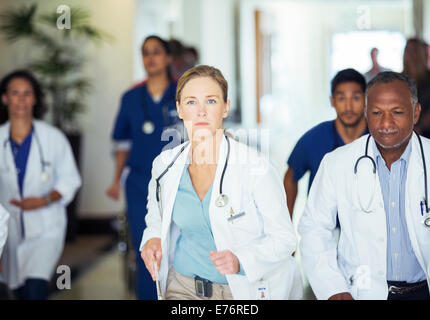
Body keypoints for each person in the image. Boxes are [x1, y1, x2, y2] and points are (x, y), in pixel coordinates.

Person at [140, 65, 302, 300]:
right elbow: (156, 217)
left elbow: (285, 239)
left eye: (212, 101)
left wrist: (241, 260)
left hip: (241, 290)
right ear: (179, 109)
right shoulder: (165, 165)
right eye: (192, 102)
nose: (201, 112)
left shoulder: (256, 167)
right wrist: (152, 239)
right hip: (182, 286)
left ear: (226, 107)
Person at [298, 71, 430, 300]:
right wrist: (333, 289)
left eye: (397, 112)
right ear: (367, 113)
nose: (386, 123)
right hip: (360, 292)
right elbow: (314, 228)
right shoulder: (337, 162)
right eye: (377, 113)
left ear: (415, 112)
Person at [106, 35, 180, 300]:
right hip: (139, 185)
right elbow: (123, 143)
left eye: (157, 52)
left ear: (169, 58)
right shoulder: (130, 98)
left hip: (178, 183)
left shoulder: (182, 94)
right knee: (146, 248)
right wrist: (116, 181)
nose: (150, 58)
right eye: (145, 52)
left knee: (176, 248)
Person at [0, 70, 81, 300]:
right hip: (8, 232)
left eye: (27, 93)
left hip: (46, 227)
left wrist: (43, 200)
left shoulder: (52, 138)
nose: (21, 99)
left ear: (34, 99)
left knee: (35, 289)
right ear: (5, 98)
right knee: (16, 291)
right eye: (15, 93)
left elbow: (70, 180)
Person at [283, 68, 368, 217]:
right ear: (332, 101)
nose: (348, 107)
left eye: (355, 98)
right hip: (324, 230)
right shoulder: (314, 138)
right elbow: (290, 177)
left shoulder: (378, 138)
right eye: (341, 98)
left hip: (368, 230)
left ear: (366, 100)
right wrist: (286, 224)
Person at [403, 38, 430, 138]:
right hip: (404, 131)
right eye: (407, 49)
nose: (410, 53)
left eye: (414, 50)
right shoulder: (399, 79)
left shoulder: (428, 78)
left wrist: (420, 126)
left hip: (426, 132)